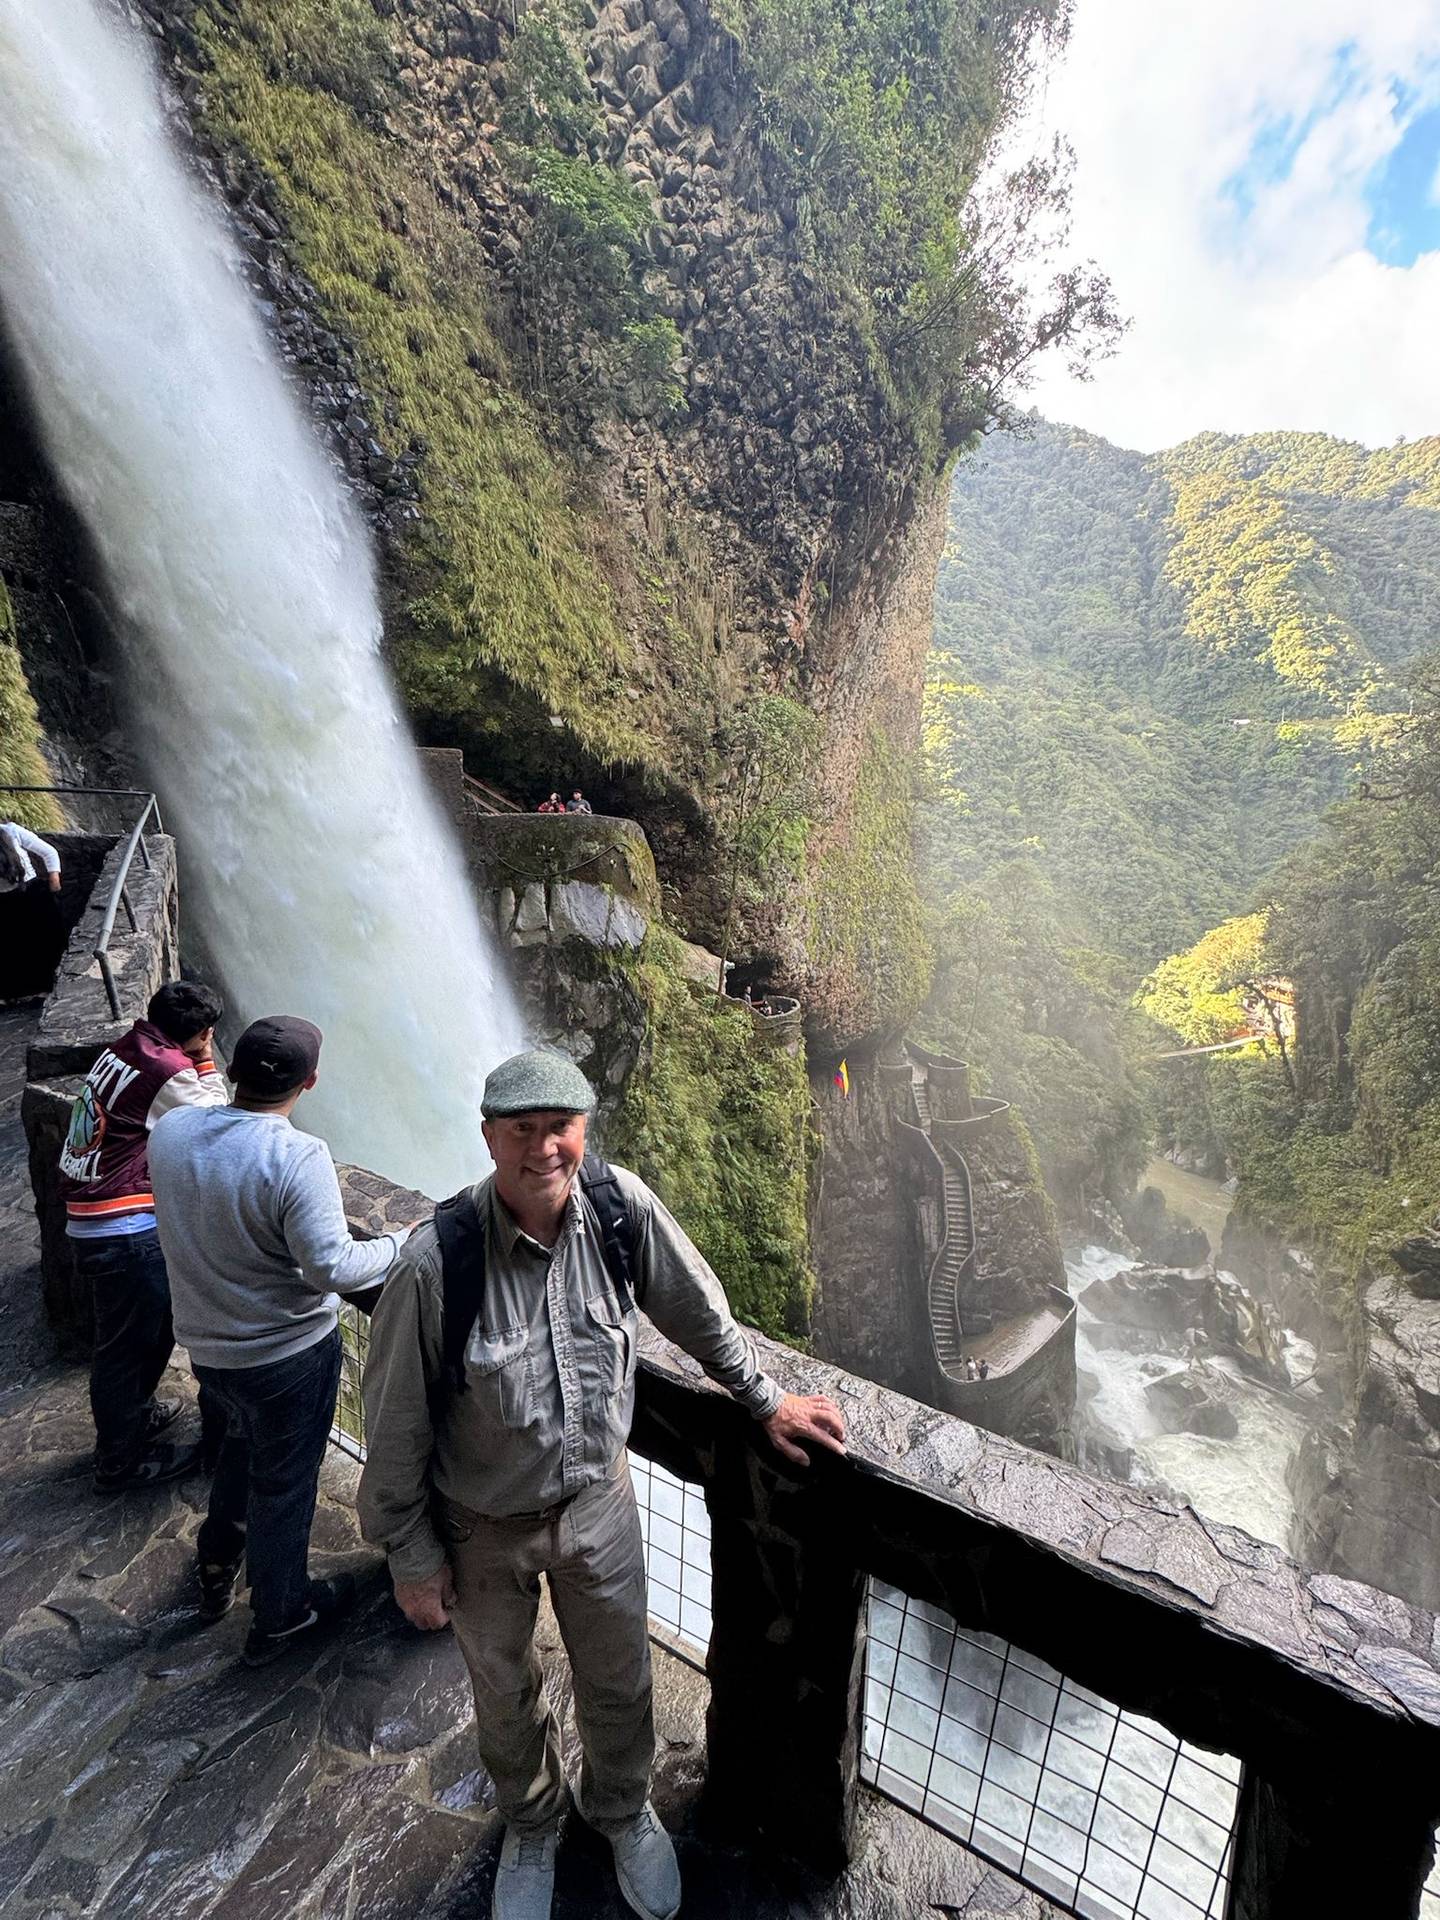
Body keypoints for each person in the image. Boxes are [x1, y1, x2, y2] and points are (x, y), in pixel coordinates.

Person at [358, 1049, 847, 1920]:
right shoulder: (437, 1265)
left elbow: (696, 1308)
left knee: (620, 1679)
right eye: (522, 1130)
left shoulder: (621, 1211)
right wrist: (411, 1554)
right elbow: (394, 1426)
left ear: (583, 1131)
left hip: (599, 1506)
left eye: (561, 1128)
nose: (543, 1148)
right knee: (504, 1693)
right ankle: (532, 1822)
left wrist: (765, 1398)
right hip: (479, 1527)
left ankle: (622, 1811)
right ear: (489, 1138)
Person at [149, 1015, 410, 1665]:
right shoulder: (297, 1156)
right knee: (284, 1485)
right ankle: (281, 1615)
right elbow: (333, 1267)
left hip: (209, 1349)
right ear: (309, 1081)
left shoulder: (173, 1130)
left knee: (240, 1452)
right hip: (286, 1356)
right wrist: (402, 1243)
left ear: (232, 1066)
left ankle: (217, 1565)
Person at [58, 978, 228, 1491]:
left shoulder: (125, 1047)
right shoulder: (168, 1070)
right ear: (201, 1032)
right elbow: (215, 1119)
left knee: (149, 1332)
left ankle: (133, 1418)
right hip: (122, 1228)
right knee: (127, 1347)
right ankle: (119, 1462)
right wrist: (205, 1060)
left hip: (94, 1216)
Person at [0, 818, 64, 1001]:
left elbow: (49, 852)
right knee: (11, 948)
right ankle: (16, 993)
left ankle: (44, 989)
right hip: (4, 901)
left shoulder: (11, 831)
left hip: (30, 893)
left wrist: (54, 882)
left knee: (41, 943)